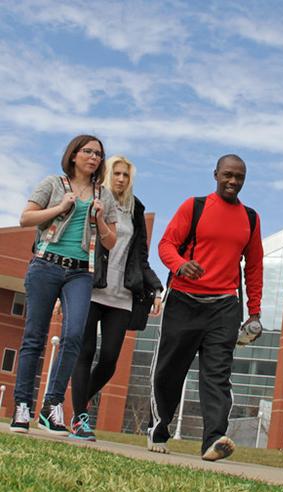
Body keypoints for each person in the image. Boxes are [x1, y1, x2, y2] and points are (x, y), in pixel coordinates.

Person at [148, 154, 263, 461]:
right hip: (184, 300)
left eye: (239, 177)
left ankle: (213, 439)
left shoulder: (251, 218)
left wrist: (255, 311)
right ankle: (159, 428)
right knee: (171, 370)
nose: (233, 181)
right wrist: (181, 265)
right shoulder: (194, 206)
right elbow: (166, 244)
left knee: (217, 374)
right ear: (215, 174)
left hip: (225, 305)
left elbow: (254, 266)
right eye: (228, 175)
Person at [10, 135, 117, 435]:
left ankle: (51, 406)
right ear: (73, 155)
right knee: (34, 337)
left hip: (80, 272)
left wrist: (100, 219)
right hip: (45, 265)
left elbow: (111, 241)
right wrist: (59, 207)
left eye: (98, 153)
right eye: (88, 152)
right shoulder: (53, 184)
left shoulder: (103, 196)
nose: (94, 157)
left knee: (73, 337)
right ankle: (22, 405)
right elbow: (25, 218)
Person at [70, 155, 163, 441]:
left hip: (121, 296)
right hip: (91, 289)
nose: (121, 179)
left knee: (109, 360)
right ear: (108, 174)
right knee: (84, 354)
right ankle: (80, 419)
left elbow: (141, 257)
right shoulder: (94, 202)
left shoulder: (136, 210)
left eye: (126, 175)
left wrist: (157, 289)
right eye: (117, 173)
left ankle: (78, 403)